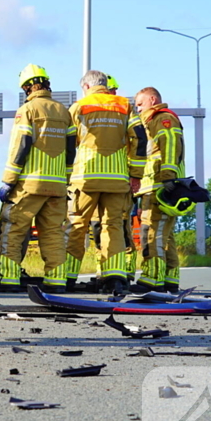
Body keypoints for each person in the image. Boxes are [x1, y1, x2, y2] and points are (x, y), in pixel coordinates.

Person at [0, 64, 74, 293]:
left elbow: (20, 146)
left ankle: (8, 279)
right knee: (53, 233)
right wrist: (64, 180)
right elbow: (71, 151)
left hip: (29, 185)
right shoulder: (63, 112)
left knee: (14, 229)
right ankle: (56, 281)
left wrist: (9, 180)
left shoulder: (27, 110)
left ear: (28, 87)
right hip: (57, 186)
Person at [63, 71, 135, 294]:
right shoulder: (125, 105)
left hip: (85, 177)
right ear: (105, 85)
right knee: (112, 226)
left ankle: (67, 278)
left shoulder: (79, 106)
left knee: (76, 225)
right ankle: (114, 278)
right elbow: (138, 138)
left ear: (86, 86)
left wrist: (66, 175)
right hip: (117, 177)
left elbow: (68, 143)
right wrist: (137, 175)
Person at [131, 87, 185, 293]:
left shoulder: (162, 119)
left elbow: (170, 146)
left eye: (140, 104)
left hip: (158, 185)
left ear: (153, 100)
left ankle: (151, 279)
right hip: (155, 184)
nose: (138, 109)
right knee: (165, 235)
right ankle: (170, 280)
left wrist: (168, 178)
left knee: (151, 232)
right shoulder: (152, 120)